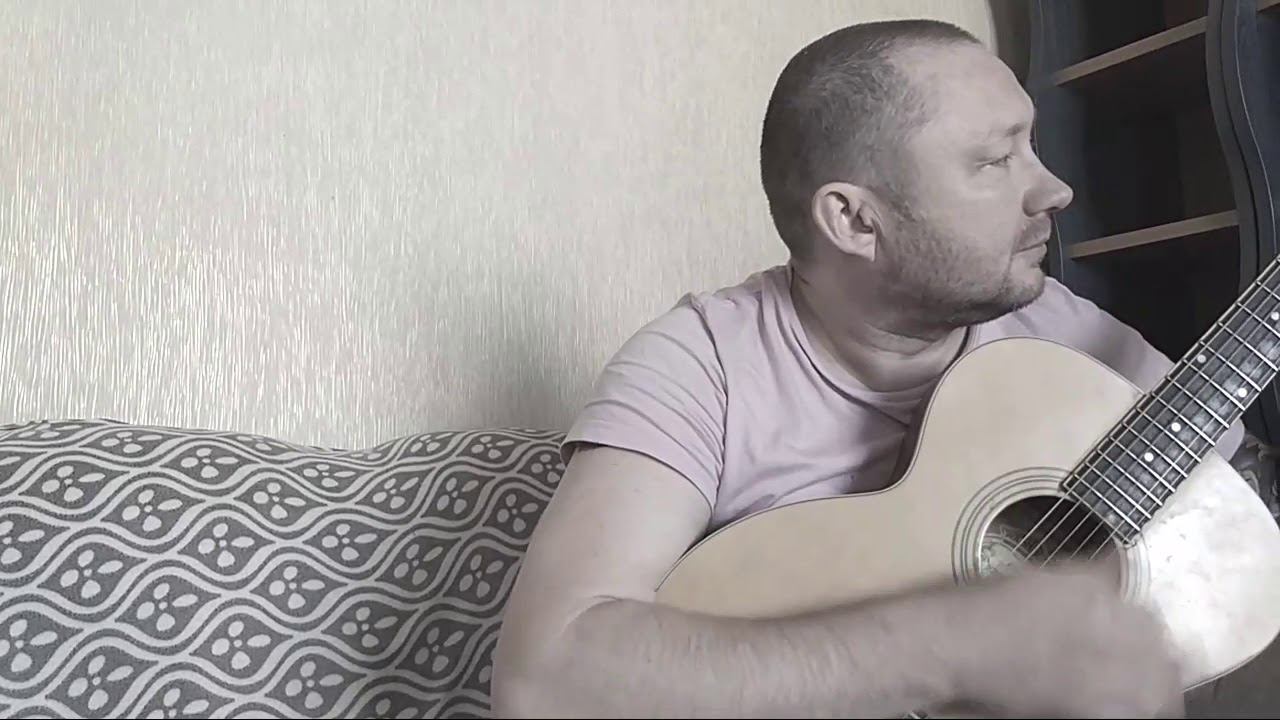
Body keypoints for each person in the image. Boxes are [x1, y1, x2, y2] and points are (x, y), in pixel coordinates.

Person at [491, 18, 1245, 719]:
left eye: (1034, 146)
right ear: (854, 220)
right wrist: (960, 641)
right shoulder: (701, 361)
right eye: (994, 160)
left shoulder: (1048, 317)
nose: (1055, 190)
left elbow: (1213, 441)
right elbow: (544, 681)